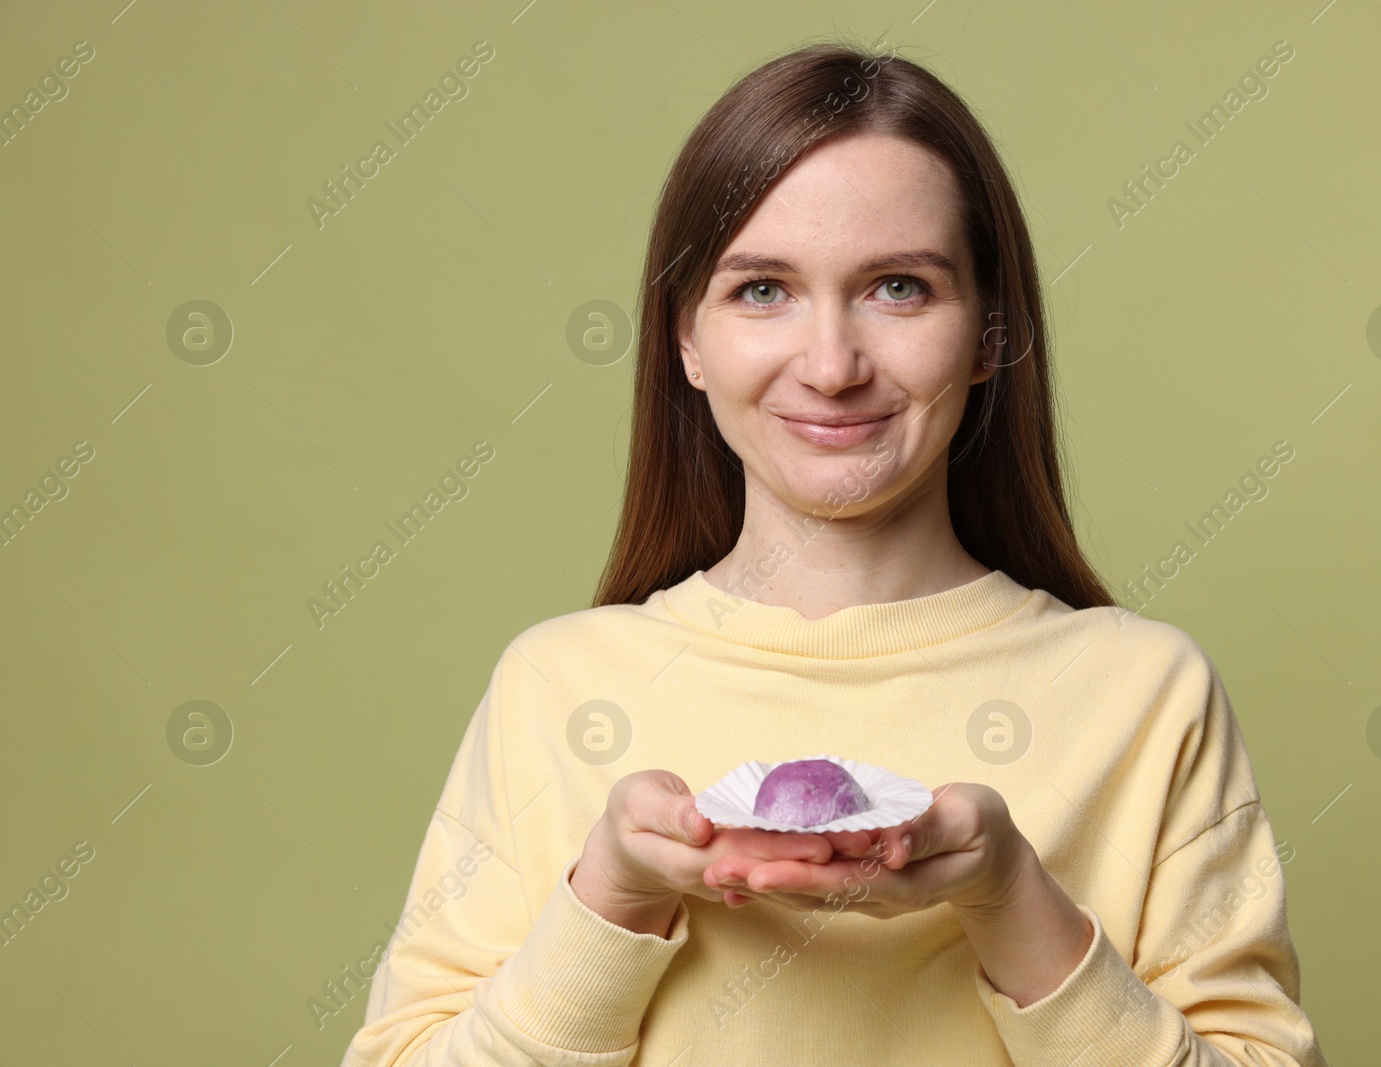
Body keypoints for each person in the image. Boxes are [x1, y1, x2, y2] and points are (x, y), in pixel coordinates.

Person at [340, 37, 1323, 1067]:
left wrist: (1010, 898)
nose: (830, 364)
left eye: (897, 287)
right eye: (762, 289)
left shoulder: (1142, 692)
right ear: (687, 339)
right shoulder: (556, 684)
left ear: (988, 331)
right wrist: (611, 900)